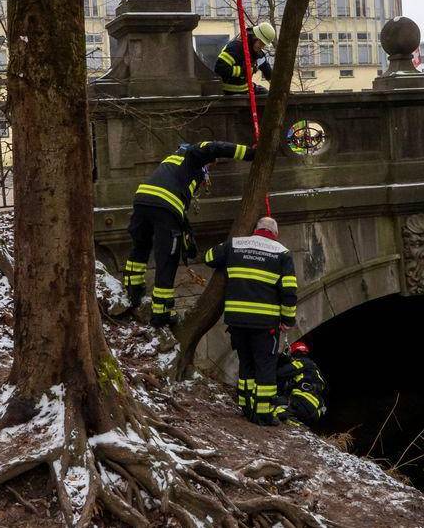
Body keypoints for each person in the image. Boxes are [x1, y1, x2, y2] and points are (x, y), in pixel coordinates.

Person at [124, 140, 253, 326]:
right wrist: (249, 153)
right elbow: (214, 147)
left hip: (142, 201)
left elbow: (177, 205)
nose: (210, 167)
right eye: (210, 164)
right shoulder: (193, 155)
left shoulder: (170, 162)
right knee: (167, 258)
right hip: (165, 206)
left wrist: (186, 232)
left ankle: (133, 291)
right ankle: (162, 312)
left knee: (140, 247)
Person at [203, 216, 298, 425]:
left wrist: (227, 247)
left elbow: (209, 257)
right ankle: (263, 414)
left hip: (237, 321)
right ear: (275, 234)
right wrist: (287, 320)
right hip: (265, 323)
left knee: (246, 364)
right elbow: (289, 291)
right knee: (265, 367)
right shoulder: (282, 253)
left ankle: (246, 407)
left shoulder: (235, 244)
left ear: (255, 229)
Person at [216, 21, 277, 96]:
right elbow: (219, 68)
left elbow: (268, 73)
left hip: (247, 88)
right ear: (255, 38)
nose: (262, 47)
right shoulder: (235, 48)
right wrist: (243, 70)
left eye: (264, 45)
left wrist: (278, 90)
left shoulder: (258, 54)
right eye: (261, 43)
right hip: (231, 92)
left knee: (267, 96)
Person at [277, 340, 327, 426]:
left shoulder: (302, 362)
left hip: (303, 403)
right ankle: (296, 421)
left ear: (294, 352)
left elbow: (281, 373)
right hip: (315, 409)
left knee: (271, 404)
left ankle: (290, 419)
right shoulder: (312, 369)